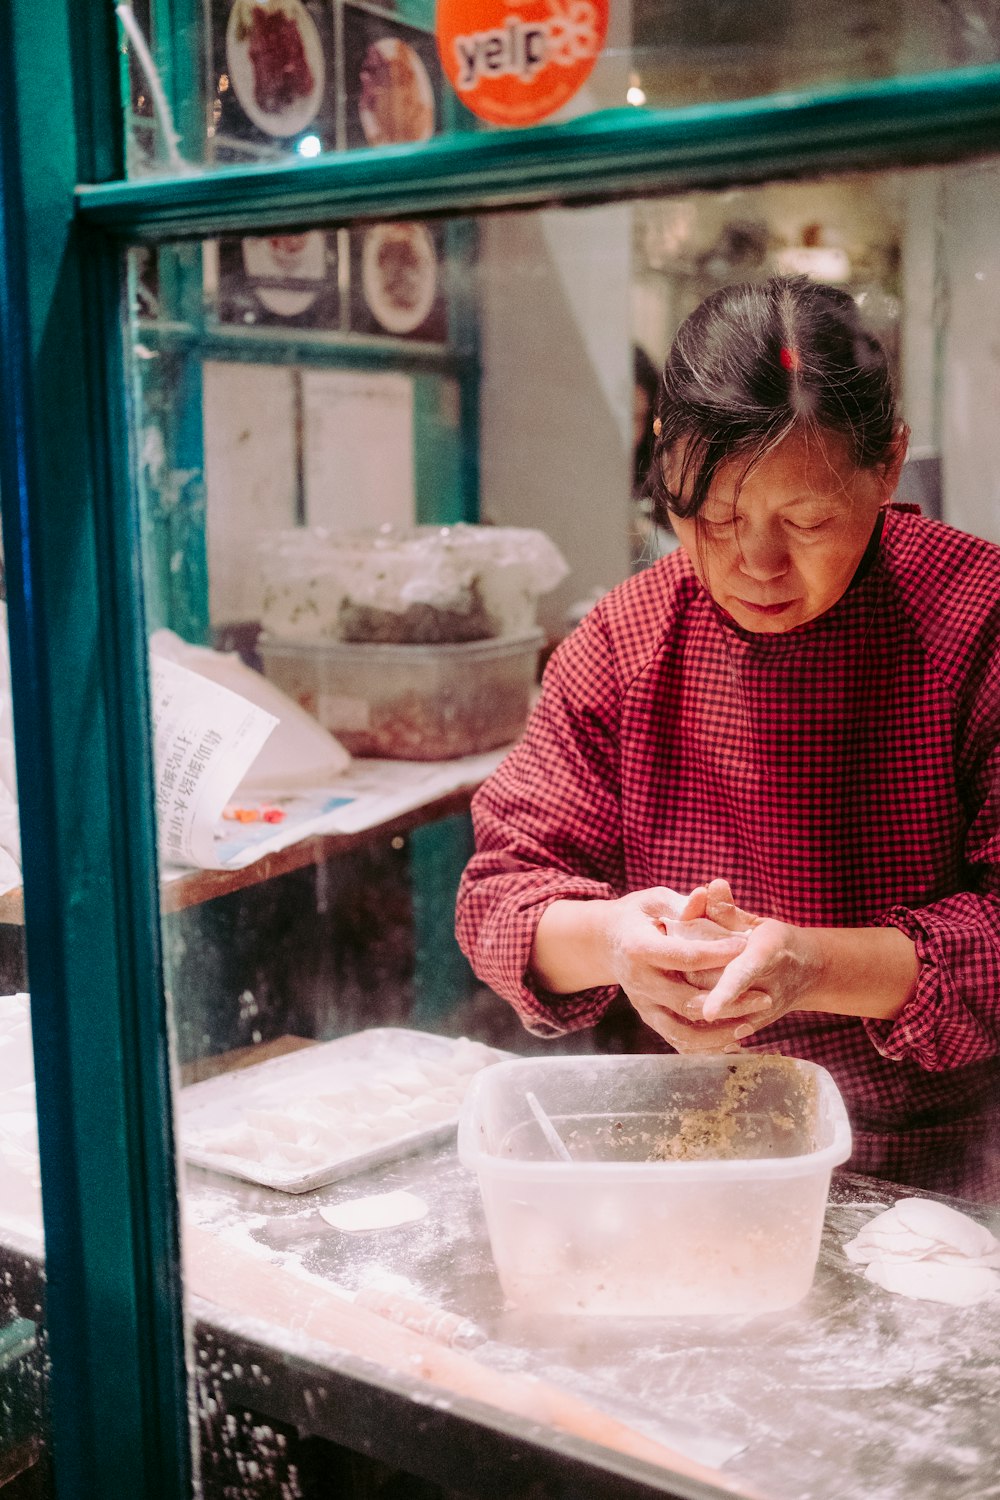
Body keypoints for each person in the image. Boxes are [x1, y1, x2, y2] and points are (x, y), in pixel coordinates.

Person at [456, 275, 1000, 1200]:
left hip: (944, 1170)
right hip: (690, 1155)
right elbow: (500, 895)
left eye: (810, 520)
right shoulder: (627, 642)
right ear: (663, 463)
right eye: (712, 518)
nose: (756, 565)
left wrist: (815, 967)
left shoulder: (976, 618)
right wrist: (614, 941)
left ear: (890, 462)